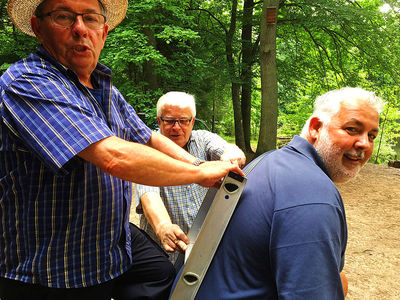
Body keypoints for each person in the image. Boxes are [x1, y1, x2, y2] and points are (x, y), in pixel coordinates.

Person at [0, 1, 243, 299]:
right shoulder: (28, 82)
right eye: (63, 17)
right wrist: (198, 172)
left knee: (160, 272)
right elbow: (114, 157)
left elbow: (148, 139)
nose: (79, 29)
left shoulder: (105, 90)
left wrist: (197, 162)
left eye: (90, 19)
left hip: (109, 248)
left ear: (103, 32)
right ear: (39, 28)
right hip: (56, 269)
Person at [186, 87, 384, 299]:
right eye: (352, 129)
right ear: (316, 128)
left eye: (372, 136)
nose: (364, 143)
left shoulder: (270, 160)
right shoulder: (313, 195)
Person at [135, 91, 246, 262]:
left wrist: (232, 157)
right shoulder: (146, 148)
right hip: (162, 252)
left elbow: (229, 149)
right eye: (170, 121)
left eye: (184, 121)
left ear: (192, 121)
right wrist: (163, 226)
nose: (177, 127)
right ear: (159, 121)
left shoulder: (203, 139)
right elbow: (148, 195)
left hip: (203, 248)